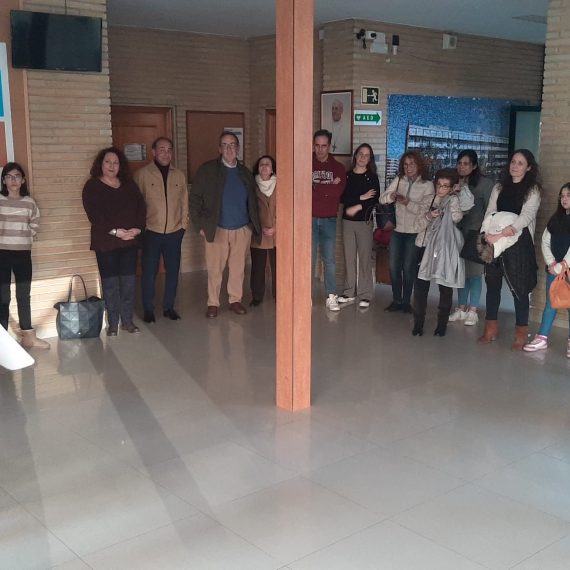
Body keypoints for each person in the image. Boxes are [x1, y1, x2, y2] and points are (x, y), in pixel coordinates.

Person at [189, 131, 260, 318]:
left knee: (237, 269)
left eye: (232, 145)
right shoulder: (207, 170)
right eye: (225, 145)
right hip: (216, 228)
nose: (229, 149)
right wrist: (199, 226)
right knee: (215, 269)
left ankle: (235, 300)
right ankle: (213, 303)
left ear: (238, 148)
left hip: (241, 229)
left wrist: (251, 227)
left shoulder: (245, 173)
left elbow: (253, 201)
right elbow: (194, 199)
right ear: (219, 149)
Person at [478, 149, 541, 350]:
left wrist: (503, 233)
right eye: (513, 162)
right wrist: (486, 232)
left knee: (519, 289)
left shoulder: (532, 190)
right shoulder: (499, 186)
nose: (515, 166)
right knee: (492, 286)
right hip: (494, 242)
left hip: (518, 243)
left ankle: (521, 334)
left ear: (528, 167)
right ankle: (490, 329)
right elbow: (490, 211)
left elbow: (526, 216)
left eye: (520, 163)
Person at [82, 147, 146, 336]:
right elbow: (94, 215)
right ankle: (112, 323)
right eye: (108, 162)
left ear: (121, 165)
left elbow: (141, 207)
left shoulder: (129, 185)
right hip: (106, 243)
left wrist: (137, 229)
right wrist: (116, 232)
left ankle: (127, 321)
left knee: (128, 283)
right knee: (110, 284)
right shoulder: (92, 186)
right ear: (100, 164)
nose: (112, 166)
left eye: (116, 162)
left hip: (129, 242)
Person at [134, 137, 188, 323]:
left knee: (173, 272)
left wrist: (183, 226)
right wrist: (141, 229)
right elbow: (136, 205)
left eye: (169, 150)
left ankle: (169, 307)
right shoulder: (142, 175)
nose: (166, 153)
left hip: (174, 232)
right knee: (149, 273)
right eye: (162, 149)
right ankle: (148, 309)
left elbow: (184, 202)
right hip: (151, 232)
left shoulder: (179, 175)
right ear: (154, 152)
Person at [0, 162, 49, 349]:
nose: (13, 180)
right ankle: (2, 341)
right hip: (2, 254)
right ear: (4, 180)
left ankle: (28, 337)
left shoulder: (29, 202)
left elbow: (35, 223)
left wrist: (26, 236)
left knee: (23, 295)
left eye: (17, 176)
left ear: (23, 180)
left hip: (23, 254)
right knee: (3, 297)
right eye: (9, 176)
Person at [380, 150, 434, 313]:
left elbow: (425, 212)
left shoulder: (427, 185)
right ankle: (396, 300)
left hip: (414, 231)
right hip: (397, 230)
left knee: (409, 267)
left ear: (419, 165)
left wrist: (407, 202)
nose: (408, 168)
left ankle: (406, 302)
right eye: (405, 165)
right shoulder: (399, 180)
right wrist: (391, 196)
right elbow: (382, 199)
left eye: (412, 164)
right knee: (393, 266)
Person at [412, 168, 464, 337]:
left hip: (443, 248)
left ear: (451, 187)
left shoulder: (453, 200)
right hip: (424, 245)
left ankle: (442, 325)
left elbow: (457, 218)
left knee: (445, 286)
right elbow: (417, 226)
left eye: (445, 186)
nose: (441, 189)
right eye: (438, 185)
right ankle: (418, 323)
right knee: (420, 287)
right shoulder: (427, 199)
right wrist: (429, 216)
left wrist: (451, 199)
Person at [448, 150, 494, 327]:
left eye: (466, 163)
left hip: (477, 233)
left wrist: (486, 233)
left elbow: (491, 209)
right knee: (460, 272)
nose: (462, 166)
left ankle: (473, 310)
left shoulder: (484, 183)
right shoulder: (455, 181)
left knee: (474, 273)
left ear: (474, 165)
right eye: (459, 163)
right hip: (458, 232)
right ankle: (461, 308)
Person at [524, 183, 570, 356]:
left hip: (565, 269)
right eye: (562, 195)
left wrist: (563, 265)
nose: (564, 199)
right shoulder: (555, 219)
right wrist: (552, 263)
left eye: (568, 195)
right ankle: (542, 337)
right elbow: (545, 241)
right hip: (554, 271)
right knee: (551, 304)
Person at [338, 143, 379, 309]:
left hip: (365, 222)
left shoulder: (372, 177)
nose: (363, 157)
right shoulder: (347, 176)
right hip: (347, 222)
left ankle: (365, 294)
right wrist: (361, 198)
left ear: (370, 159)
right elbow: (342, 197)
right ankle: (349, 292)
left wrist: (357, 206)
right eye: (361, 154)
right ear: (355, 155)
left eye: (367, 155)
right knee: (348, 257)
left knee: (364, 259)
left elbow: (374, 199)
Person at [312, 129, 346, 311]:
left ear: (329, 146)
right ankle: (306, 295)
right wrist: (328, 187)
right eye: (317, 145)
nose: (320, 149)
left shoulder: (338, 168)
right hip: (308, 219)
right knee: (308, 259)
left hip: (329, 219)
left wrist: (315, 187)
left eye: (323, 146)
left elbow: (337, 192)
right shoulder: (306, 164)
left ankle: (331, 296)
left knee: (329, 260)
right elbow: (302, 190)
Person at [249, 155, 277, 306]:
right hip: (258, 232)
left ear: (272, 169)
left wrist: (276, 226)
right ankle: (257, 297)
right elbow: (249, 209)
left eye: (268, 164)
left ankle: (279, 294)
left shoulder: (281, 184)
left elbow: (286, 208)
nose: (264, 167)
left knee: (278, 267)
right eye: (261, 164)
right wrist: (257, 226)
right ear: (257, 168)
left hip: (277, 233)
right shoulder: (251, 185)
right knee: (257, 267)